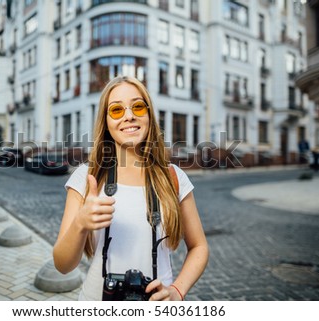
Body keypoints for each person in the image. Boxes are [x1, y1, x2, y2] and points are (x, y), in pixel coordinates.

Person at [53, 76, 209, 301]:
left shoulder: (173, 177)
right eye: (116, 110)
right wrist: (80, 223)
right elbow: (62, 265)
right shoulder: (87, 178)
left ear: (148, 115)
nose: (129, 116)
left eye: (137, 106)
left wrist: (177, 291)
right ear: (106, 121)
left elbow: (199, 247)